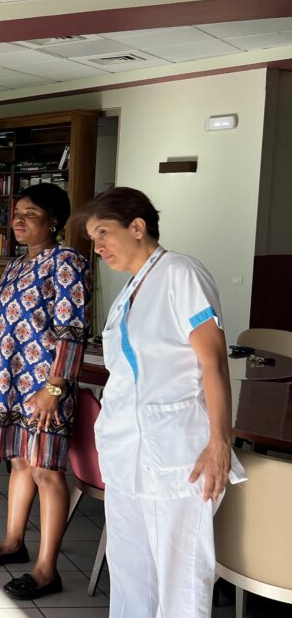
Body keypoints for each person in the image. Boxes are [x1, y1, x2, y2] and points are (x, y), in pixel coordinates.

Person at [78, 186, 246, 617]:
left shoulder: (180, 273)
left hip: (178, 454)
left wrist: (218, 443)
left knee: (180, 575)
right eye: (92, 239)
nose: (97, 248)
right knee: (130, 569)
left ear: (137, 227)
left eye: (103, 234)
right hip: (127, 454)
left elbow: (214, 363)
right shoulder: (132, 290)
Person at [0, 183, 92, 600]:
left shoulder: (68, 262)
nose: (19, 220)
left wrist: (55, 388)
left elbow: (72, 331)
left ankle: (46, 570)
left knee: (46, 471)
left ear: (53, 221)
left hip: (44, 386)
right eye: (16, 212)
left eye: (31, 214)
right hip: (10, 382)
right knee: (20, 463)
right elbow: (0, 322)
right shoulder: (16, 264)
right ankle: (13, 543)